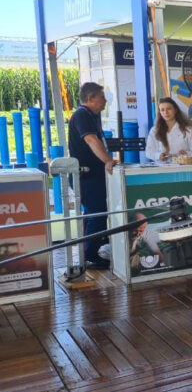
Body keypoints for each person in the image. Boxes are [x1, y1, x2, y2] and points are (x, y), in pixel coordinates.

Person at [68, 82, 117, 270]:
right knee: (97, 213)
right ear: (90, 98)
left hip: (95, 174)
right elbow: (91, 139)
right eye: (102, 98)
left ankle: (88, 251)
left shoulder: (92, 116)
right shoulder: (82, 115)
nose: (105, 102)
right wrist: (107, 160)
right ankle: (89, 254)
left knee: (93, 213)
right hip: (86, 175)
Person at [145, 97, 192, 163]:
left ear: (175, 110)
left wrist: (186, 154)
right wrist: (158, 156)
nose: (165, 112)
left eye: (168, 109)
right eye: (162, 110)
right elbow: (148, 152)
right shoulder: (154, 130)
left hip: (182, 166)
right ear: (160, 112)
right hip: (162, 167)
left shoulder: (188, 129)